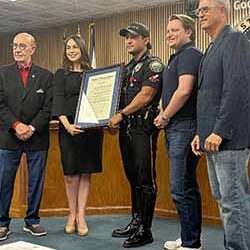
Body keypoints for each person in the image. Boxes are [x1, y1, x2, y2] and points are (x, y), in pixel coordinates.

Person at [191, 0, 250, 249]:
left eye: (205, 9)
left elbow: (237, 90)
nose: (200, 14)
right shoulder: (213, 45)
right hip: (211, 140)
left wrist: (219, 131)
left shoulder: (235, 39)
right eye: (199, 11)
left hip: (229, 139)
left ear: (222, 11)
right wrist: (200, 134)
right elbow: (208, 97)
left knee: (234, 203)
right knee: (223, 200)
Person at [109, 22, 164, 248]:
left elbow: (146, 96)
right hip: (127, 129)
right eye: (126, 37)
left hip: (142, 128)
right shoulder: (128, 67)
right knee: (132, 178)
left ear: (145, 39)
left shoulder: (153, 64)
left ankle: (146, 230)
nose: (129, 41)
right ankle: (136, 220)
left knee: (144, 180)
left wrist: (120, 114)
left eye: (133, 37)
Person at [154, 14, 203, 250]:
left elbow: (184, 91)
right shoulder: (177, 57)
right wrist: (163, 113)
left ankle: (191, 243)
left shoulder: (190, 55)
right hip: (176, 126)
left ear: (189, 33)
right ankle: (188, 237)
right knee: (185, 186)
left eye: (175, 30)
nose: (169, 34)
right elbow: (172, 91)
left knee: (181, 187)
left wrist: (165, 116)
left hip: (184, 126)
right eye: (167, 30)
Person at [0, 33, 53, 241]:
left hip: (36, 137)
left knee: (36, 181)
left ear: (33, 49)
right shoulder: (2, 74)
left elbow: (48, 108)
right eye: (15, 46)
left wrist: (31, 127)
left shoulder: (46, 76)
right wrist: (16, 125)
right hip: (8, 136)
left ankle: (32, 221)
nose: (17, 50)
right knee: (4, 181)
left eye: (22, 46)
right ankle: (2, 223)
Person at [52, 35, 103, 236]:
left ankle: (81, 216)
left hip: (90, 130)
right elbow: (58, 101)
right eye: (68, 47)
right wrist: (67, 126)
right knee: (71, 175)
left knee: (85, 172)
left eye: (75, 47)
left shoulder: (94, 74)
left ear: (82, 49)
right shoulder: (60, 74)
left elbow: (101, 100)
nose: (71, 50)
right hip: (68, 129)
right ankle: (71, 214)